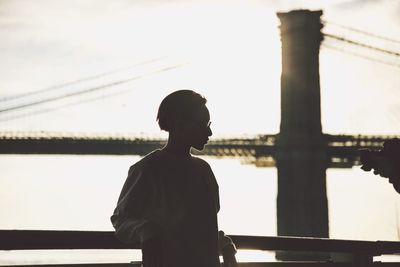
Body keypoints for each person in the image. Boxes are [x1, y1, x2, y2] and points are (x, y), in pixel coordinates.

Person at [111, 90, 221, 267]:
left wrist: (146, 231)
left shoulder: (204, 170)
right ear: (179, 124)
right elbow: (120, 219)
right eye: (202, 124)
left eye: (208, 124)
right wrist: (146, 230)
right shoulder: (148, 169)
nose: (209, 131)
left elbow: (121, 220)